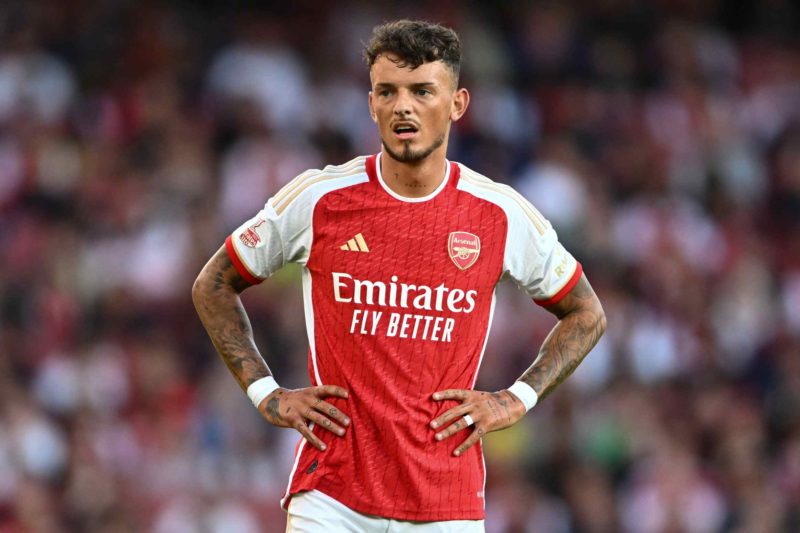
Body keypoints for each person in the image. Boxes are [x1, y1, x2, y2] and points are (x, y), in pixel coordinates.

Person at [192, 19, 606, 532]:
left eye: (422, 91)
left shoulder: (499, 214)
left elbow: (586, 313)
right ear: (371, 105)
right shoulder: (321, 199)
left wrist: (514, 399)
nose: (403, 106)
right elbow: (212, 284)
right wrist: (266, 393)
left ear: (457, 104)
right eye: (387, 91)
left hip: (445, 501)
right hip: (332, 494)